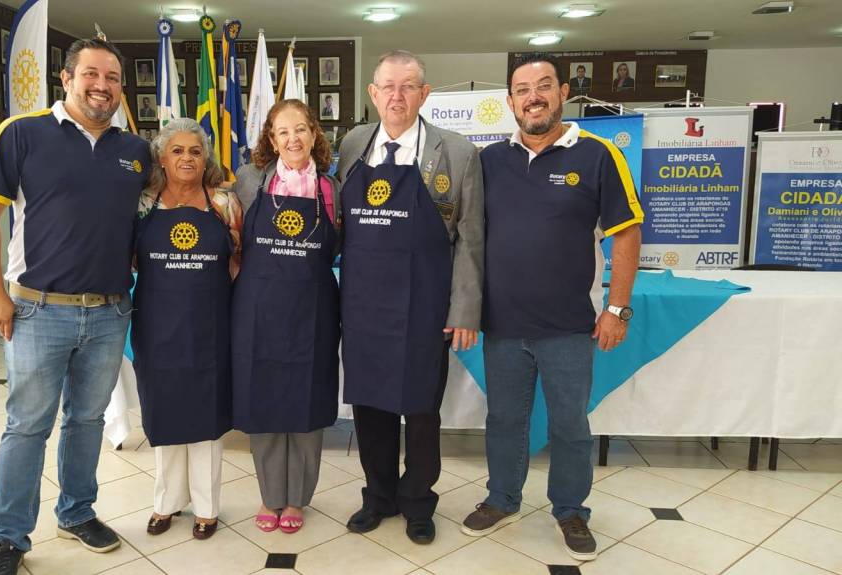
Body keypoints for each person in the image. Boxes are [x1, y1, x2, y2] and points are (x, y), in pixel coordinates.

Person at [0, 38, 150, 575]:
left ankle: (76, 512)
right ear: (66, 79)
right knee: (27, 426)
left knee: (87, 420)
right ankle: (9, 537)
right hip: (37, 311)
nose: (102, 85)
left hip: (110, 312)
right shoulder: (21, 133)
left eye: (112, 77)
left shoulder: (135, 150)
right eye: (91, 74)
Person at [462, 52, 643, 561]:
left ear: (563, 93)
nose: (533, 97)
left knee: (569, 425)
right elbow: (469, 239)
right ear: (510, 101)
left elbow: (626, 233)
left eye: (544, 86)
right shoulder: (489, 161)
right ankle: (502, 498)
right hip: (503, 325)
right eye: (523, 89)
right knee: (503, 420)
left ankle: (570, 510)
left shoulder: (598, 155)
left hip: (569, 326)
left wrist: (617, 308)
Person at [336, 50, 483, 545]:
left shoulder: (457, 152)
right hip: (364, 305)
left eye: (408, 86)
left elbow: (470, 239)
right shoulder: (353, 144)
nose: (396, 96)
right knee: (370, 407)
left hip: (426, 305)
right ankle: (378, 496)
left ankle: (418, 501)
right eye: (388, 87)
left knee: (421, 410)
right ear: (373, 94)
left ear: (424, 94)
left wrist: (464, 310)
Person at [230, 99, 341, 534]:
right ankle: (271, 494)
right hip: (259, 309)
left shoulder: (332, 188)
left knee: (307, 400)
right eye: (282, 132)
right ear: (271, 141)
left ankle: (297, 499)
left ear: (314, 134)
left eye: (300, 129)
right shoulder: (249, 180)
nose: (293, 139)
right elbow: (232, 237)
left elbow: (342, 244)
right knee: (265, 398)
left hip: (313, 309)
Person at [133, 118, 242, 541]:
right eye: (177, 150)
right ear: (161, 157)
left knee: (206, 415)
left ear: (206, 158)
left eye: (195, 151)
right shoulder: (143, 203)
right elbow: (129, 257)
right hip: (157, 324)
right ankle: (166, 502)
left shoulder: (224, 203)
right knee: (164, 411)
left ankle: (207, 507)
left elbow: (239, 258)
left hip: (211, 325)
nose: (186, 158)